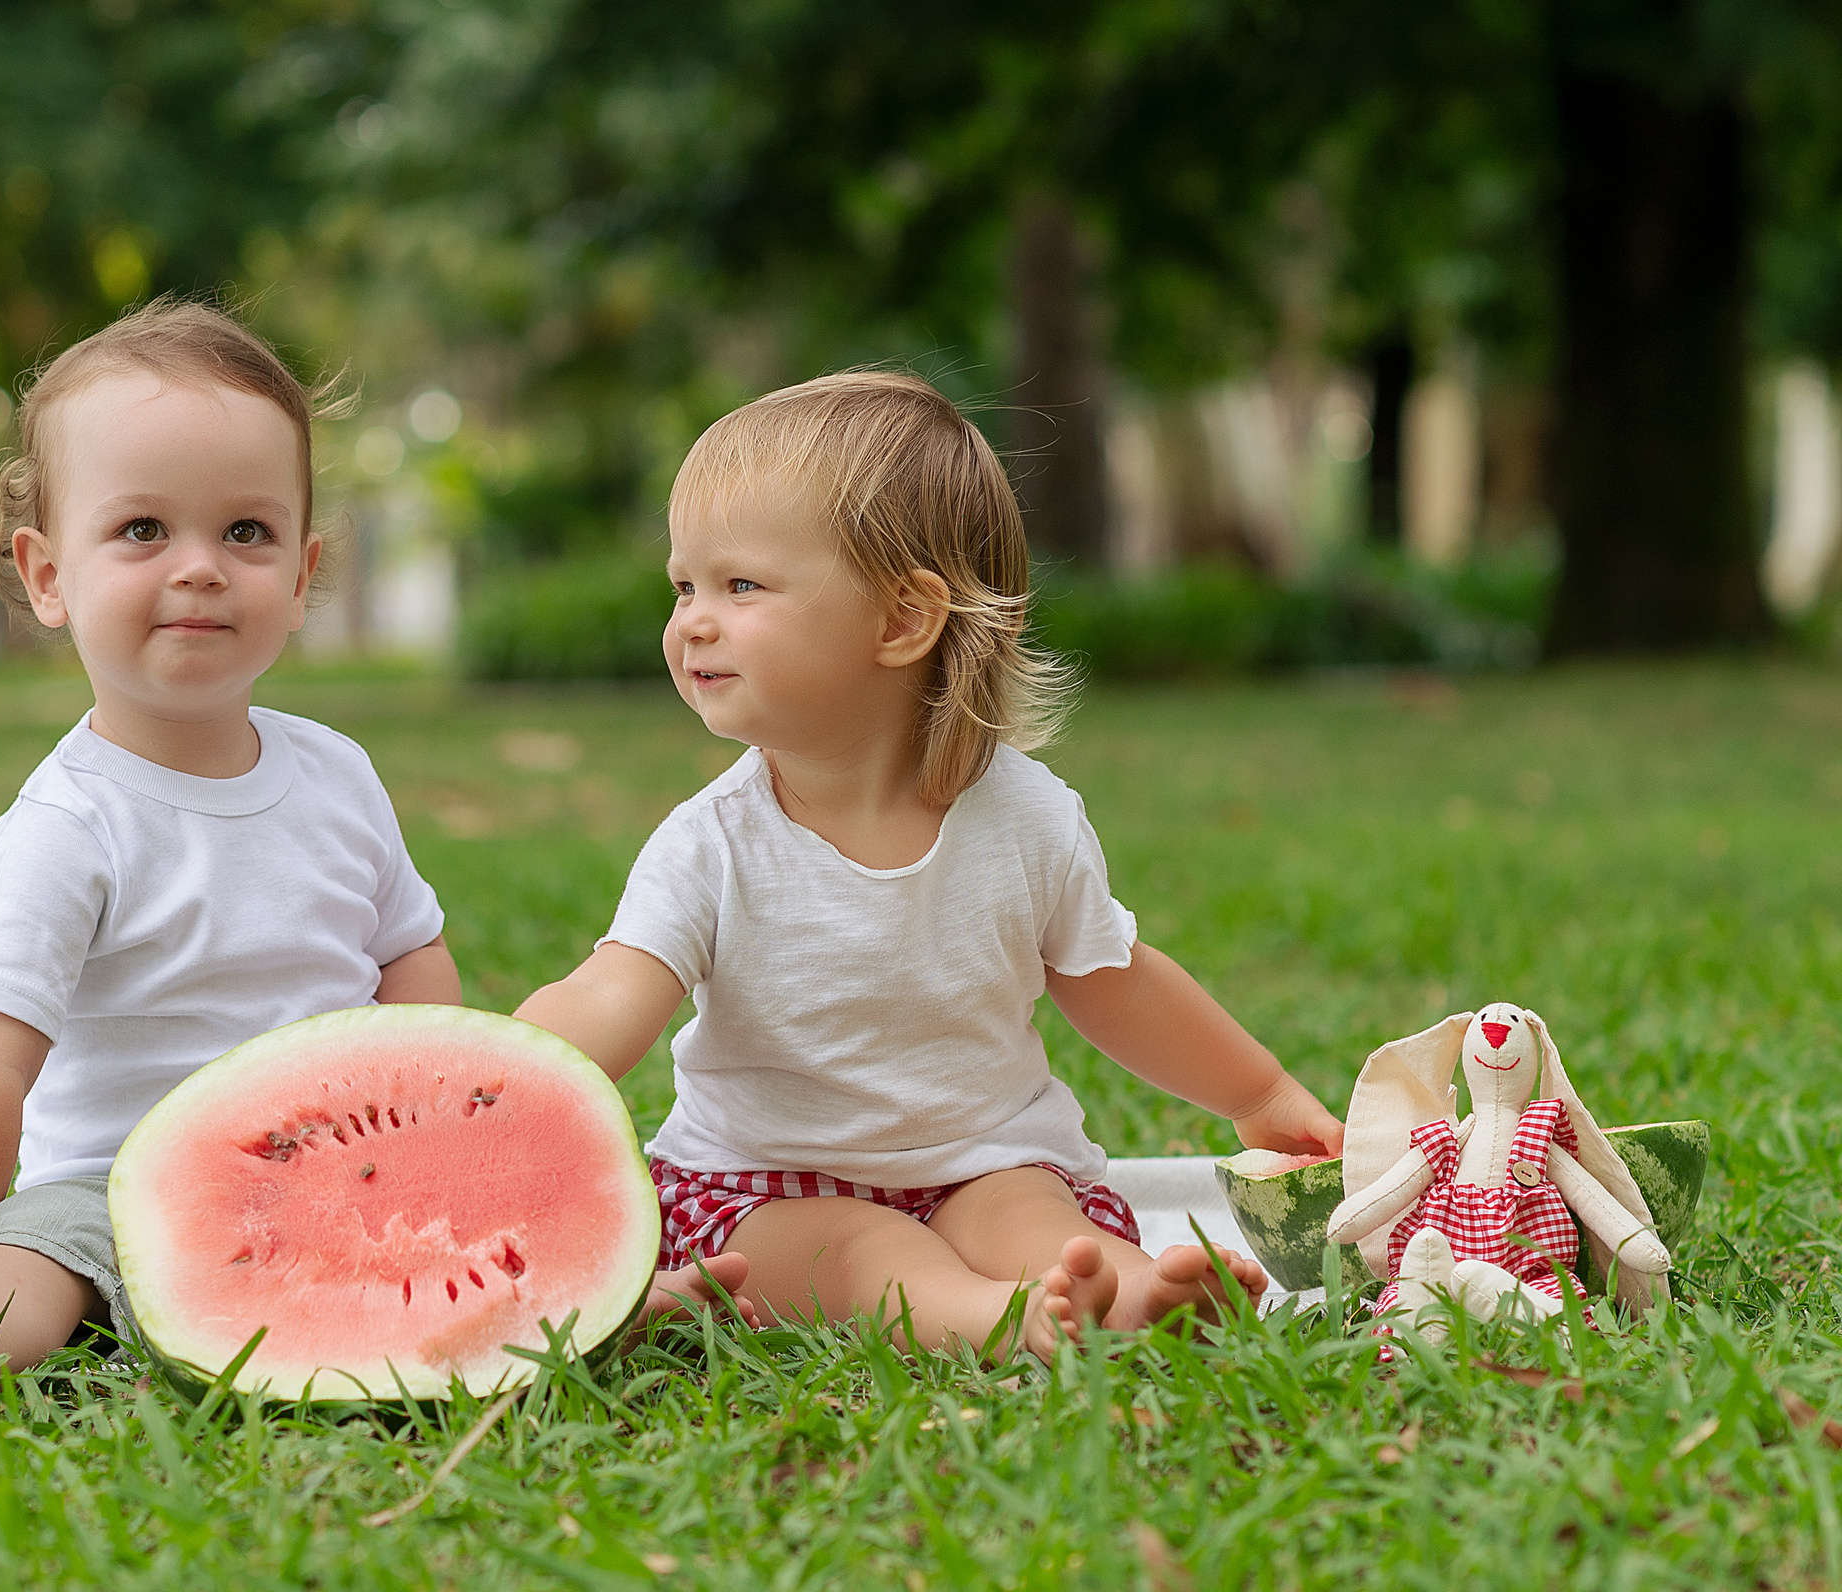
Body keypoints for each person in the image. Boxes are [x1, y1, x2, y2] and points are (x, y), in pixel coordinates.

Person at [0, 299, 751, 1406]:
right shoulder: (67, 827)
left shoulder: (339, 775)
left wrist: (452, 1137)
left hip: (342, 1177)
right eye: (143, 530)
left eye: (245, 533)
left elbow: (413, 965)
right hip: (104, 1188)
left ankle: (597, 1309)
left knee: (471, 1245)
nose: (201, 568)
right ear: (47, 575)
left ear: (300, 576)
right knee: (35, 1270)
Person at [514, 371, 1344, 1362]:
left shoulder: (1029, 819)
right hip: (763, 1188)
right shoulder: (711, 843)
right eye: (683, 586)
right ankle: (1005, 1324)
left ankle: (1129, 1293)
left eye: (741, 587)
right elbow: (613, 990)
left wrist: (1257, 1095)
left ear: (903, 619)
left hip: (983, 1162)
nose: (692, 620)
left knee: (1032, 1218)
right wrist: (505, 1078)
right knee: (864, 1254)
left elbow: (1116, 982)